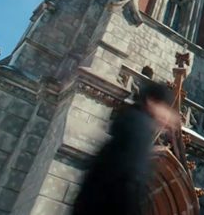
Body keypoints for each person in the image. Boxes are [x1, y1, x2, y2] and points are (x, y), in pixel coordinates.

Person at [74, 82, 181, 215]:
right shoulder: (139, 127)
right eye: (166, 108)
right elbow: (130, 178)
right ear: (151, 101)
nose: (168, 117)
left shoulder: (131, 120)